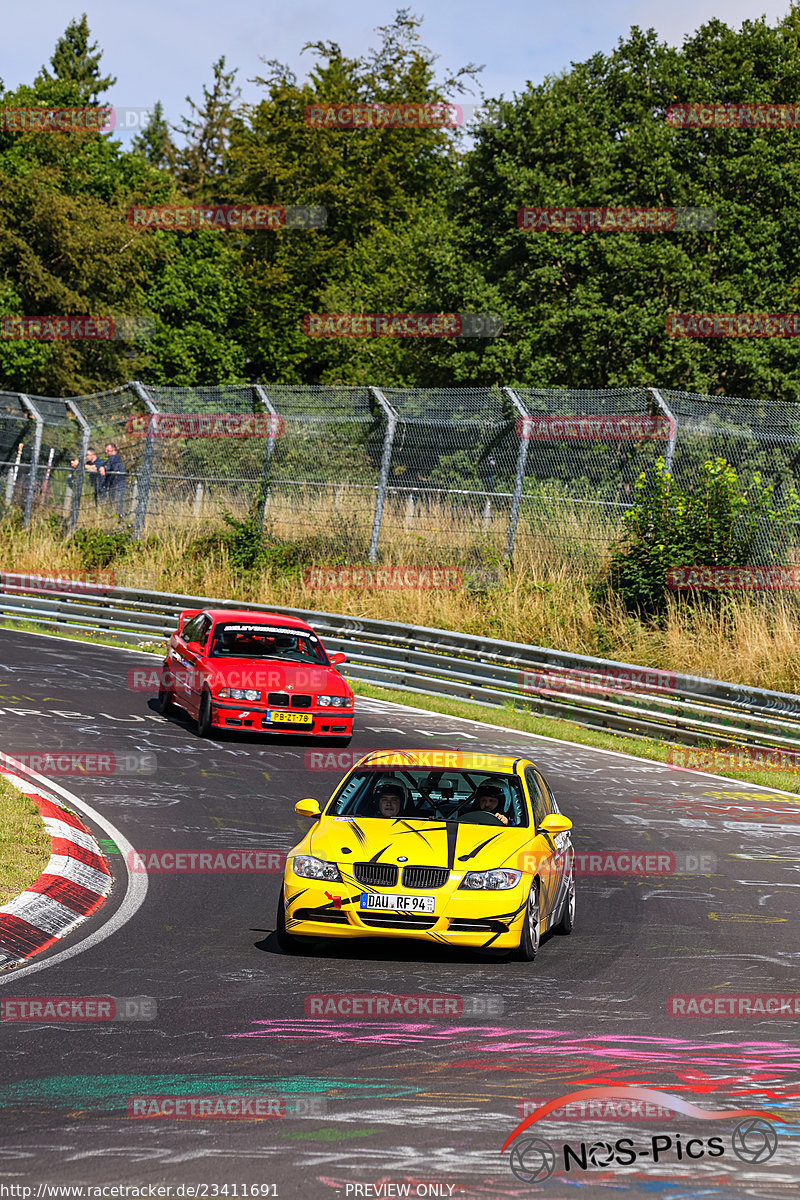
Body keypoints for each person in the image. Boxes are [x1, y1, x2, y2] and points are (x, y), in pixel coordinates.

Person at [103, 442, 126, 517]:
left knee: (117, 505)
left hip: (118, 485)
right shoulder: (111, 459)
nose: (105, 451)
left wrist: (103, 468)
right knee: (114, 504)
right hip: (115, 485)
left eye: (108, 450)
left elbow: (107, 468)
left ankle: (120, 518)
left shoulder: (115, 458)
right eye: (105, 450)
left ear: (114, 450)